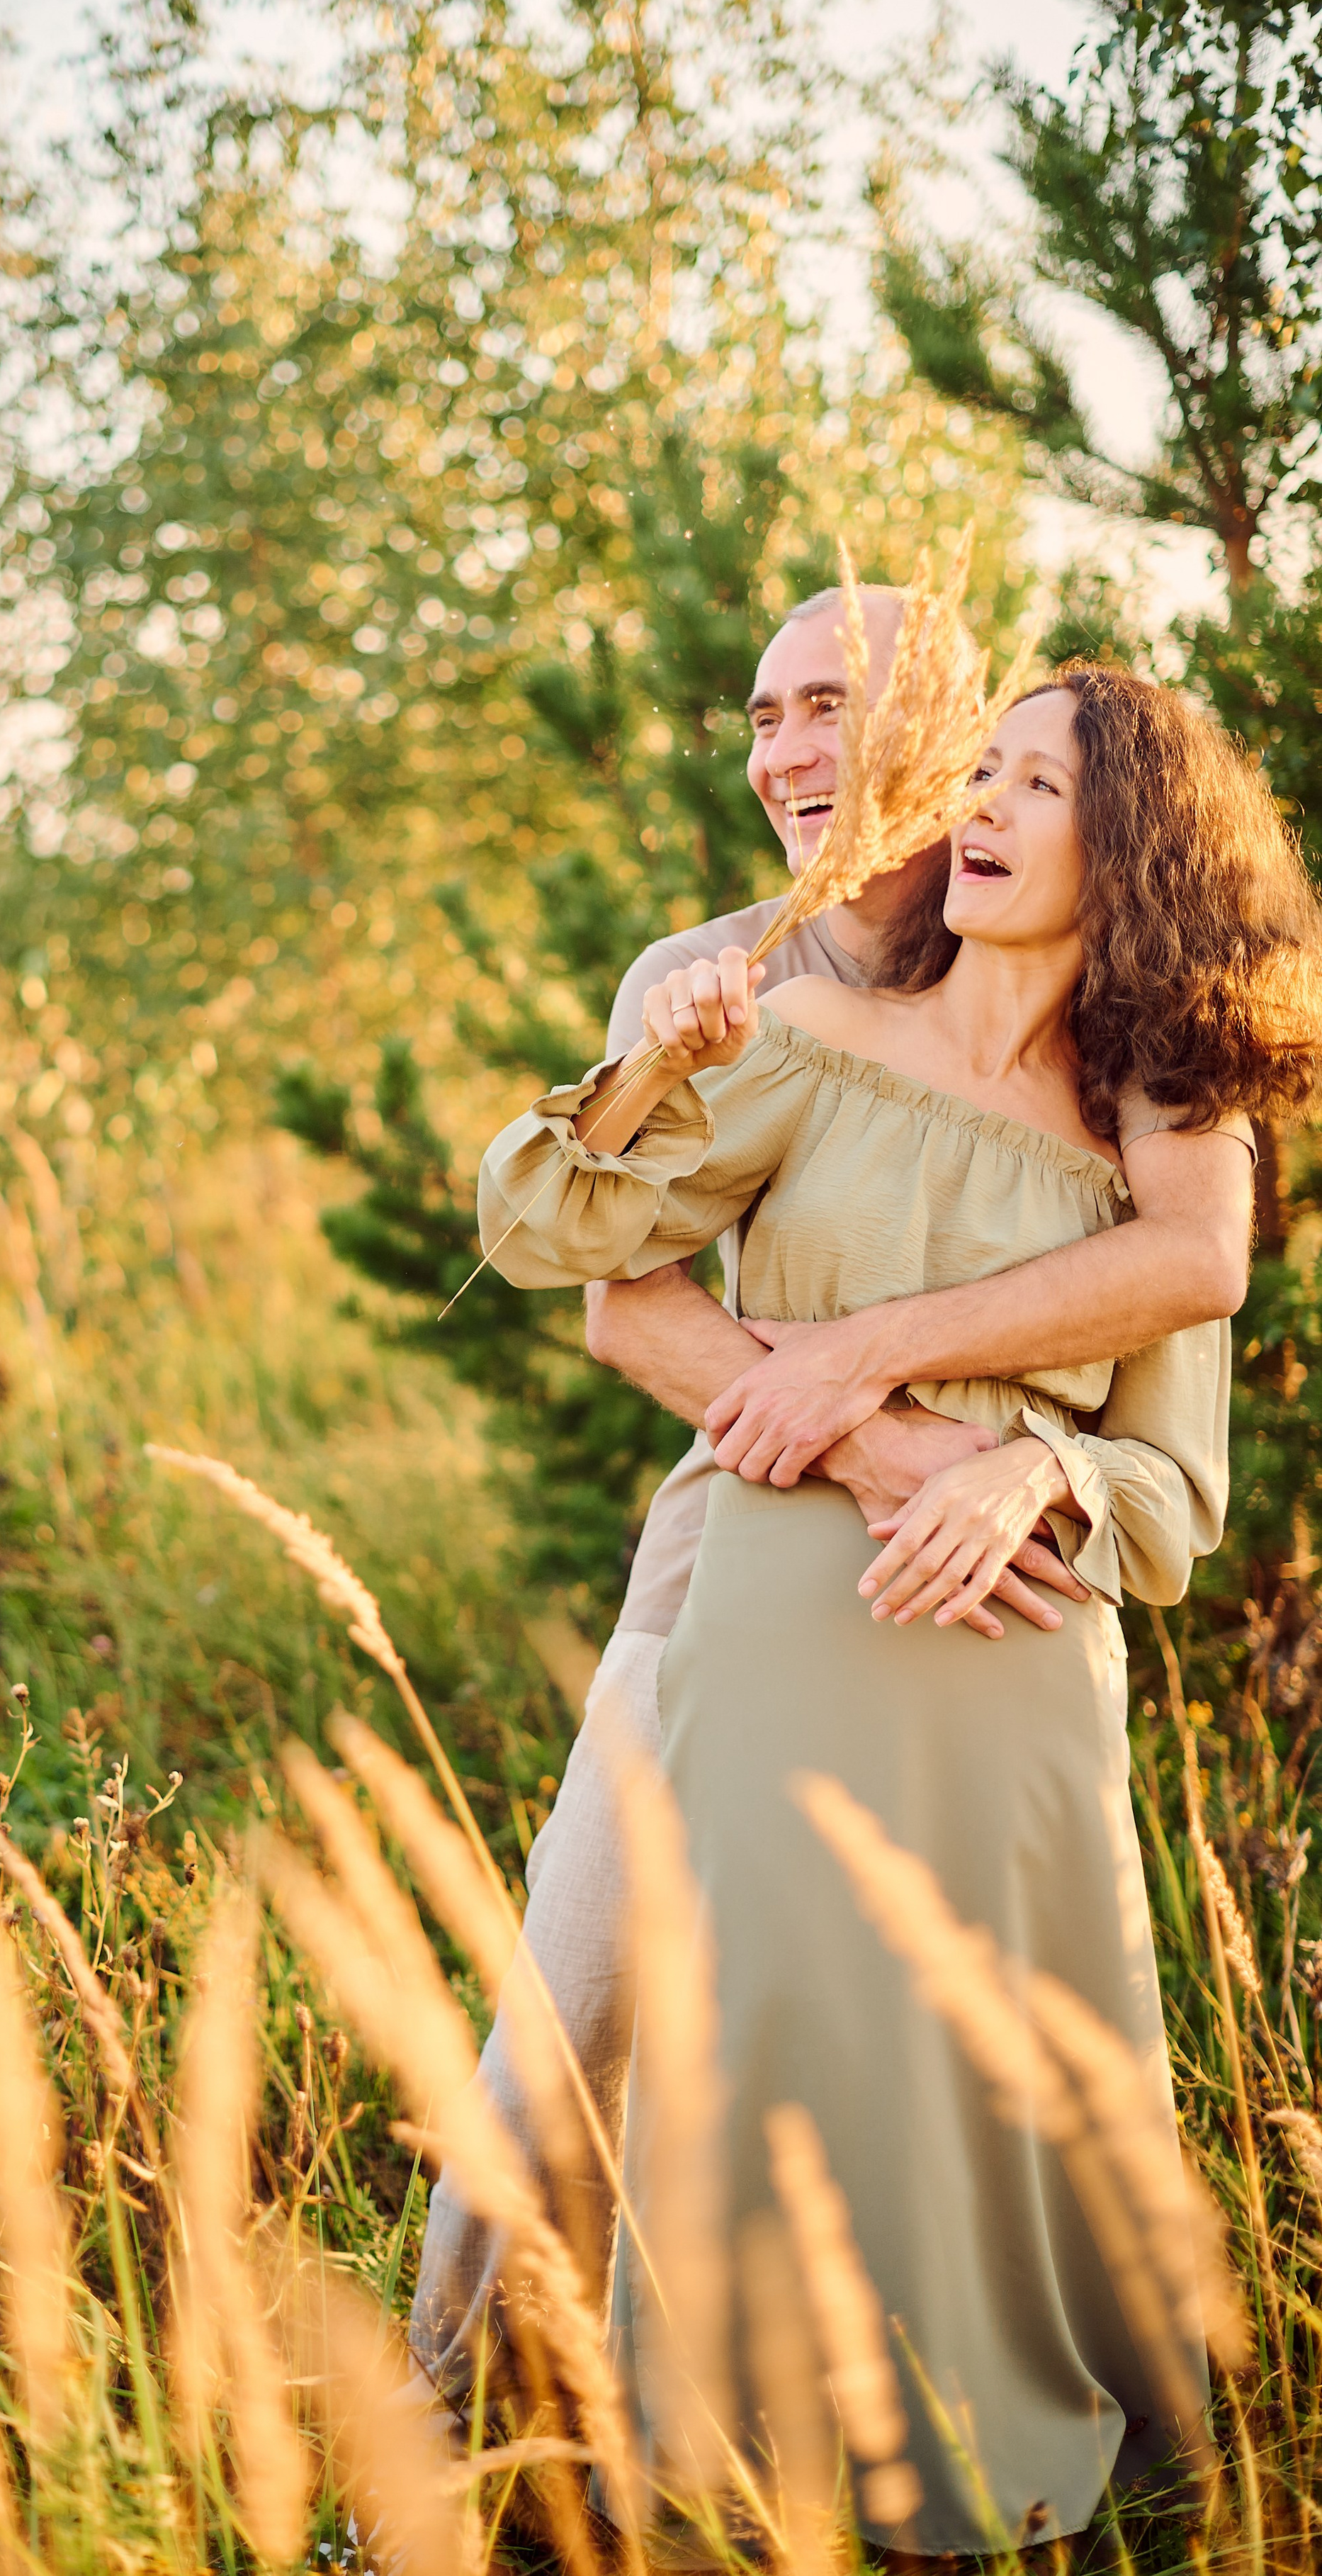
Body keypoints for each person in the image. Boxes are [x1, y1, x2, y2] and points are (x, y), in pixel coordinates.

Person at [475, 663, 1322, 2548]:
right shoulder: (811, 1041)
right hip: (780, 1625)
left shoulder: (1167, 1129)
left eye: (1041, 784)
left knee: (1008, 2073)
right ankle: (712, 2465)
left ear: (1143, 849)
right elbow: (561, 1242)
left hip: (1019, 1655)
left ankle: (1009, 2460)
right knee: (755, 2042)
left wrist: (1027, 1465)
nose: (988, 809)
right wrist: (665, 1062)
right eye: (987, 771)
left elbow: (1174, 1499)